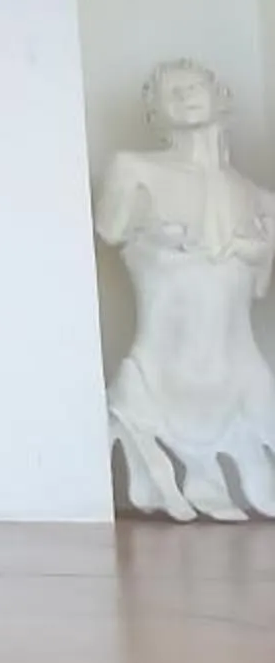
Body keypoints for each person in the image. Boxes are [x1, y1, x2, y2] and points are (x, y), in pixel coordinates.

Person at [97, 59, 275, 520]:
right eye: (171, 91)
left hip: (242, 387)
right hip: (156, 382)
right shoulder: (133, 170)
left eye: (195, 86)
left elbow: (259, 285)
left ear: (223, 96)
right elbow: (109, 228)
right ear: (154, 114)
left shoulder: (259, 199)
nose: (185, 95)